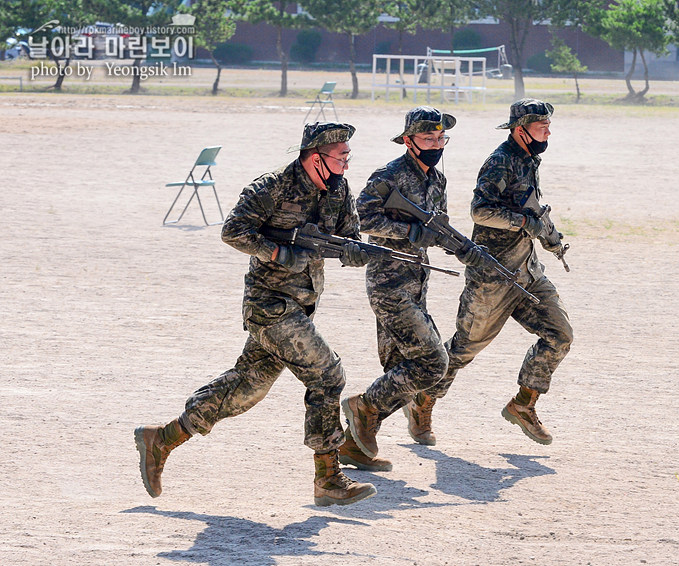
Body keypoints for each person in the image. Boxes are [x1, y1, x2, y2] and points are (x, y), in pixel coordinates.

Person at [134, 122, 378, 507]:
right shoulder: (272, 187)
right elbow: (233, 231)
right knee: (328, 374)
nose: (347, 163)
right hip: (269, 306)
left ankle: (161, 439)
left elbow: (347, 238)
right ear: (316, 158)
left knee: (245, 390)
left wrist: (355, 252)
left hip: (301, 305)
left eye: (349, 156)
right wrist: (278, 253)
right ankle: (328, 478)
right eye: (342, 156)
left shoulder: (339, 191)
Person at [421, 99, 574, 445]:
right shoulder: (500, 162)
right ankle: (423, 399)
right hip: (492, 277)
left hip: (527, 273)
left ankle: (523, 404)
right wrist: (523, 221)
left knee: (560, 335)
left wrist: (548, 237)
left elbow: (532, 210)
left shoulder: (529, 160)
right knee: (463, 349)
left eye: (549, 126)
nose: (548, 132)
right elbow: (480, 211)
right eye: (541, 127)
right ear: (521, 130)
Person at [340, 107, 485, 467]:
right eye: (427, 139)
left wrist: (463, 248)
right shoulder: (388, 176)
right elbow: (364, 218)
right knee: (432, 362)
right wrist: (408, 231)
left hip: (417, 283)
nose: (436, 145)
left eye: (440, 139)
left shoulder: (438, 180)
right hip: (389, 284)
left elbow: (438, 227)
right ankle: (363, 407)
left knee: (399, 369)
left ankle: (353, 446)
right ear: (408, 141)